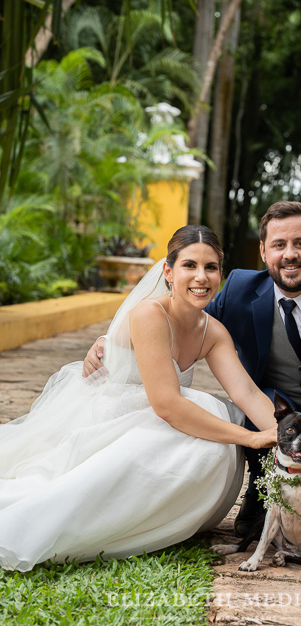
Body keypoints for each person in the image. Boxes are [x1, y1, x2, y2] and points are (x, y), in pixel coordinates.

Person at [85, 202, 301, 541]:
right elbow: (184, 313)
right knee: (235, 413)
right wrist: (114, 339)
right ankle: (260, 493)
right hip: (267, 404)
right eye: (279, 245)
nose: (289, 254)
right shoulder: (238, 290)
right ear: (263, 251)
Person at [0, 225, 277, 572]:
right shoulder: (149, 314)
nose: (201, 277)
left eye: (211, 267)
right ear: (168, 271)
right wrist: (251, 437)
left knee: (217, 422)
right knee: (211, 413)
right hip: (114, 419)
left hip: (158, 423)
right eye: (189, 265)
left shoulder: (213, 331)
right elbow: (167, 404)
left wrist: (287, 438)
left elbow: (247, 392)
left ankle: (158, 515)